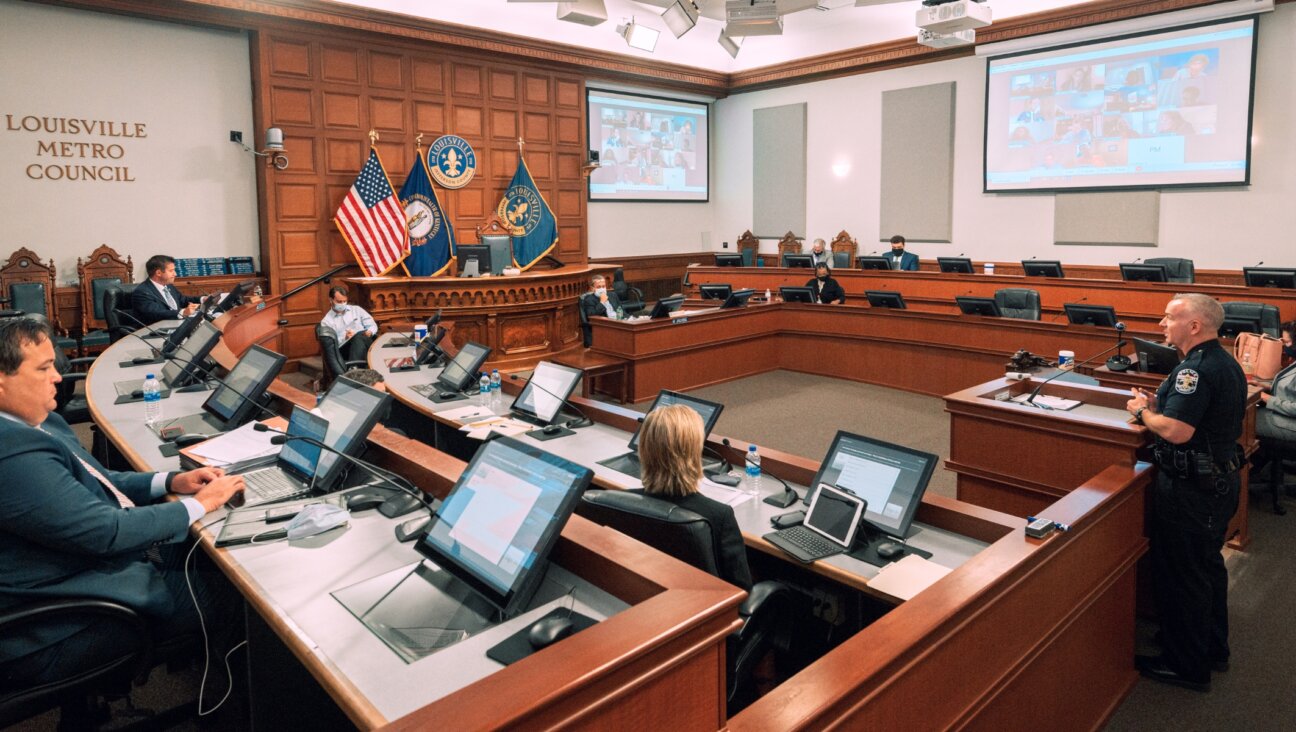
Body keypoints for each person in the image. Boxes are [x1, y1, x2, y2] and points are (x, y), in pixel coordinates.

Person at [0, 317, 245, 686]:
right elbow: (105, 532)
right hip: (57, 622)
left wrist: (172, 480)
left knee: (213, 552)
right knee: (240, 590)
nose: (58, 378)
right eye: (44, 368)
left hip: (82, 567)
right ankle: (226, 702)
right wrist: (200, 505)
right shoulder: (10, 451)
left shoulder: (34, 421)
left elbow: (99, 480)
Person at [1125, 293, 1246, 692]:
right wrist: (1164, 405)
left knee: (1184, 575)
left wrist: (1142, 412)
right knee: (1206, 568)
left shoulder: (1193, 371)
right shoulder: (1222, 361)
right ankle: (1210, 647)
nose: (1162, 324)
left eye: (1169, 317)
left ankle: (1186, 665)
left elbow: (1179, 431)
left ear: (1194, 326)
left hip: (1193, 489)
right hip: (1216, 483)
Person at [633, 404, 751, 591]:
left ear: (644, 448)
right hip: (705, 612)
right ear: (694, 454)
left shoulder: (625, 501)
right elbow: (741, 589)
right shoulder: (719, 516)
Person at [131, 254, 202, 325]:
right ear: (158, 273)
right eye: (171, 271)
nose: (175, 274)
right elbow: (156, 313)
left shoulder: (169, 286)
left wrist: (203, 299)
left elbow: (182, 300)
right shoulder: (142, 292)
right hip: (158, 330)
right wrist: (182, 312)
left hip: (177, 324)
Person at [321, 285, 378, 362]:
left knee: (361, 336)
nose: (342, 304)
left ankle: (354, 368)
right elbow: (331, 345)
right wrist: (345, 338)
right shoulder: (326, 321)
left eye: (344, 301)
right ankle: (356, 367)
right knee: (359, 337)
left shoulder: (357, 310)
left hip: (364, 341)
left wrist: (370, 332)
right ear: (331, 300)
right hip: (345, 348)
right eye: (339, 301)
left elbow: (372, 325)